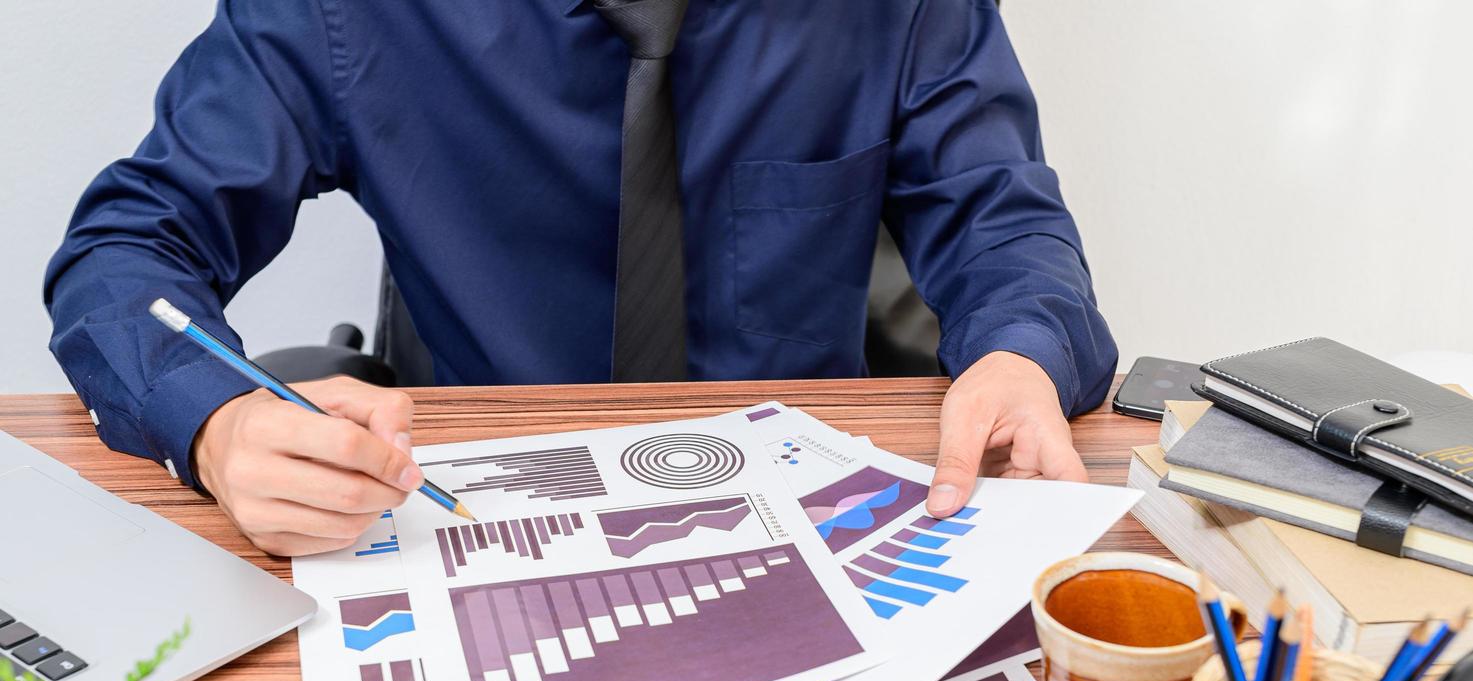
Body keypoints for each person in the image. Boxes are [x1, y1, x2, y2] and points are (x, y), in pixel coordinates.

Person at [45, 0, 1117, 557]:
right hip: (466, 521)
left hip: (804, 524)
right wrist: (217, 422)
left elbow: (1002, 219)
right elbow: (126, 251)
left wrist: (1022, 349)